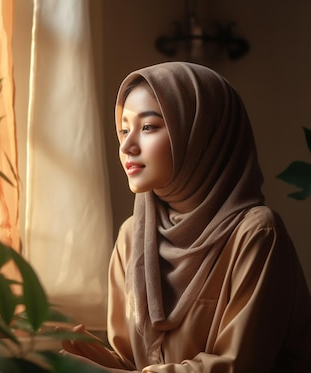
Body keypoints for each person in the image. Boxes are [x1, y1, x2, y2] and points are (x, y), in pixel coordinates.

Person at [60, 61, 311, 372]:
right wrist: (67, 351)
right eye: (124, 129)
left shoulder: (256, 233)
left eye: (148, 127)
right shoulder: (132, 236)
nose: (126, 145)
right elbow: (131, 363)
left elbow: (235, 367)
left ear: (201, 134)